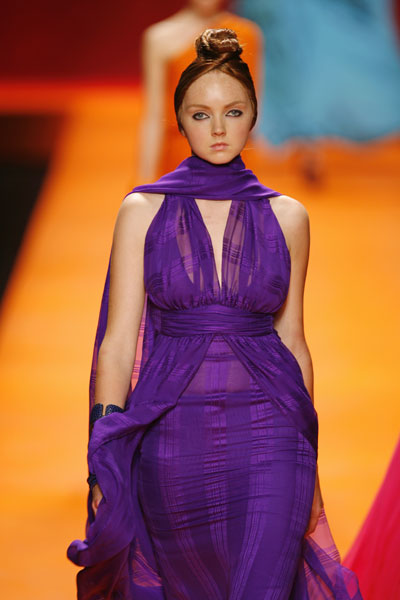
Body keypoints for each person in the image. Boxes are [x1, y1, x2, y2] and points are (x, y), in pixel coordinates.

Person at [67, 28, 363, 600]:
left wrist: (311, 459)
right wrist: (102, 459)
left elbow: (293, 341)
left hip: (273, 433)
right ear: (180, 121)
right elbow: (118, 344)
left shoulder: (289, 217)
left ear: (254, 117)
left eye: (233, 112)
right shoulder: (142, 210)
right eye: (201, 115)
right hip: (171, 435)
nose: (219, 129)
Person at [138, 0, 263, 182]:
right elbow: (154, 115)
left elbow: (252, 107)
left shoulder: (246, 33)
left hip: (232, 156)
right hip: (182, 157)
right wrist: (145, 178)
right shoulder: (160, 37)